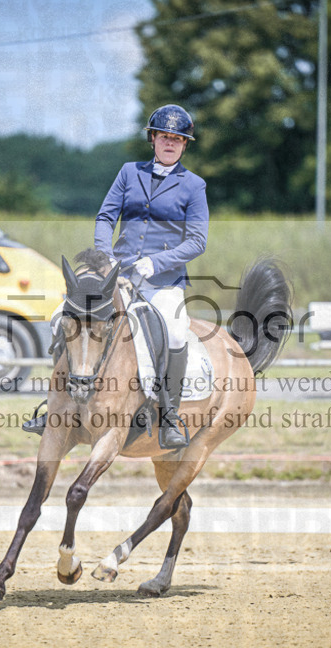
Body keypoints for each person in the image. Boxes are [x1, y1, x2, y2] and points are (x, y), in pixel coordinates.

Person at [23, 104, 208, 449]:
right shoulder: (128, 173)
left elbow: (198, 240)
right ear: (153, 139)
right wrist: (105, 254)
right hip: (117, 274)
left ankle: (169, 417)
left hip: (162, 280)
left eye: (178, 140)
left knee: (177, 331)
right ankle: (55, 406)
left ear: (185, 145)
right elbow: (106, 216)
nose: (170, 143)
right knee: (61, 318)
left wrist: (156, 263)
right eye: (164, 137)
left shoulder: (194, 186)